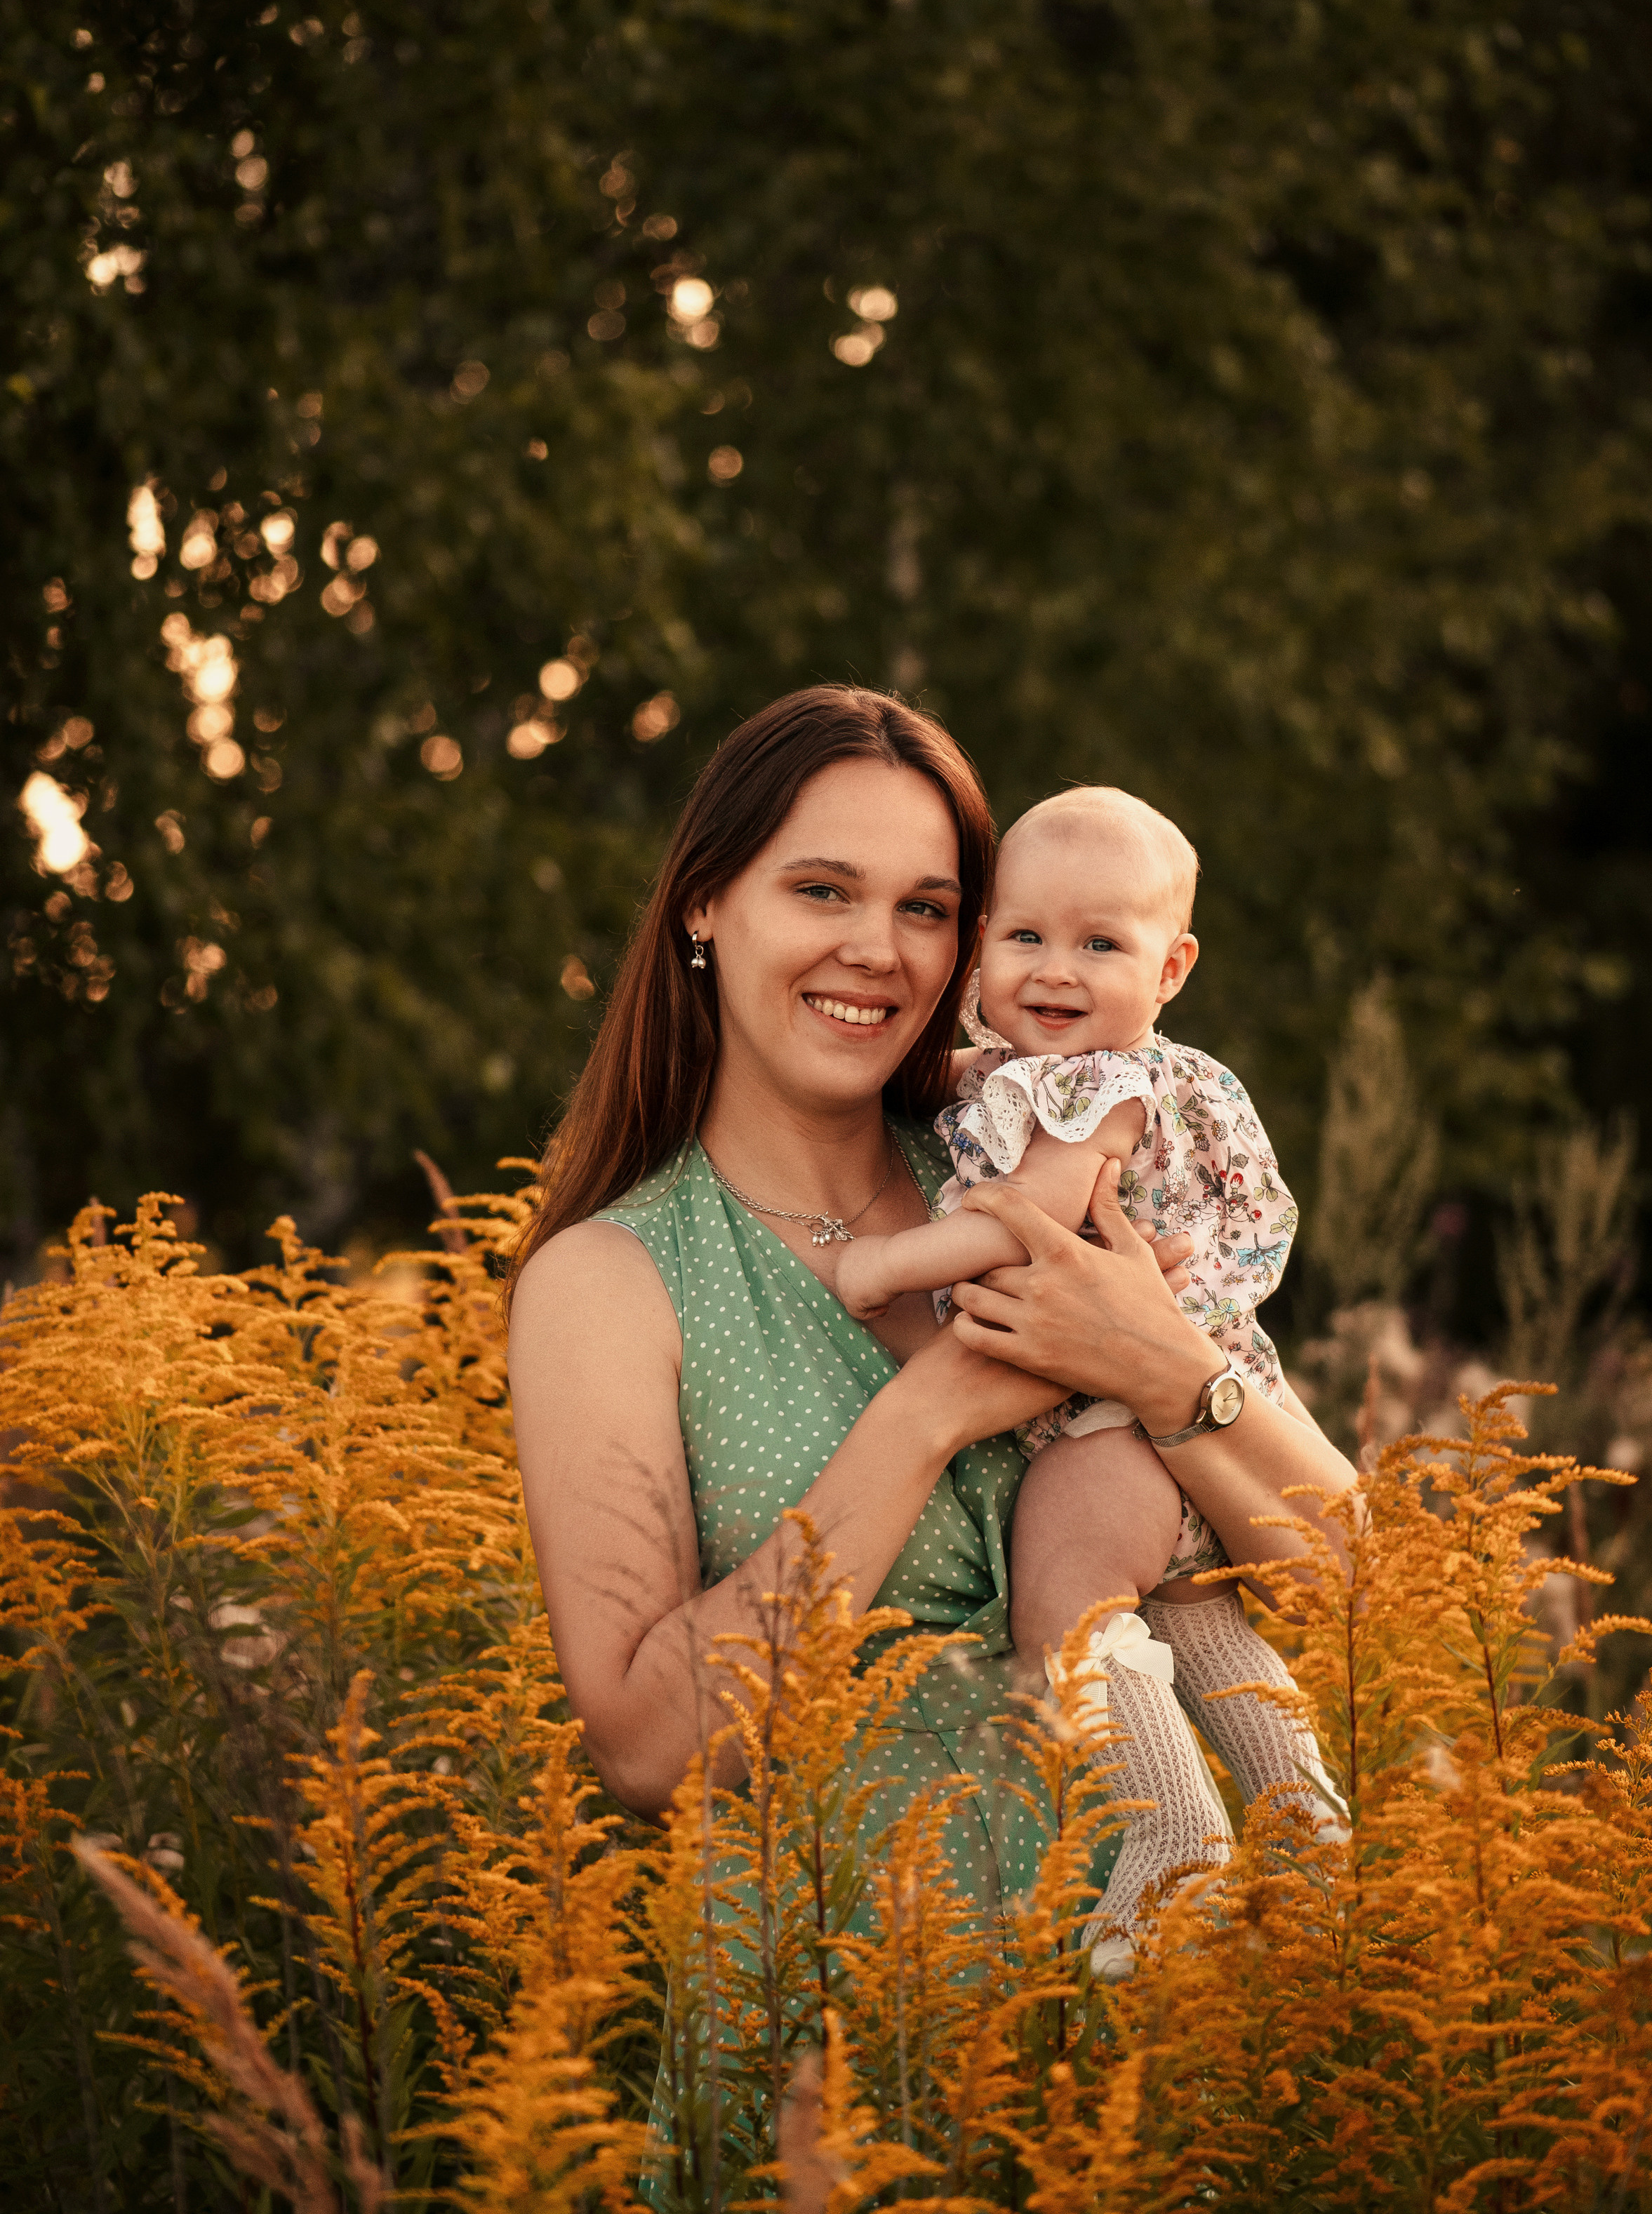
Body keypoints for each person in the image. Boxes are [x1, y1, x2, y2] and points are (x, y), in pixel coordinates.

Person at [507, 686, 1358, 1947]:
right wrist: (929, 1415)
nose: (878, 949)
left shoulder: (1037, 1159)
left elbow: (1375, 1596)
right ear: (704, 902)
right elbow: (644, 1752)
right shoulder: (611, 1281)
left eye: (926, 908)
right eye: (822, 891)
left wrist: (1169, 1372)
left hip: (1160, 2008)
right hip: (845, 2019)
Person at [834, 784, 1346, 1963]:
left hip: (1110, 1421)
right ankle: (1309, 1829)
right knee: (1197, 1619)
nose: (1057, 971)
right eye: (1026, 937)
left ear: (1173, 967)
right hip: (1193, 1410)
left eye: (1100, 945)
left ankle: (1174, 1839)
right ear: (981, 951)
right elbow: (959, 1080)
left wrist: (886, 1264)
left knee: (1066, 1609)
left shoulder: (1094, 1089)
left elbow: (1028, 1215)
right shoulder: (1103, 1071)